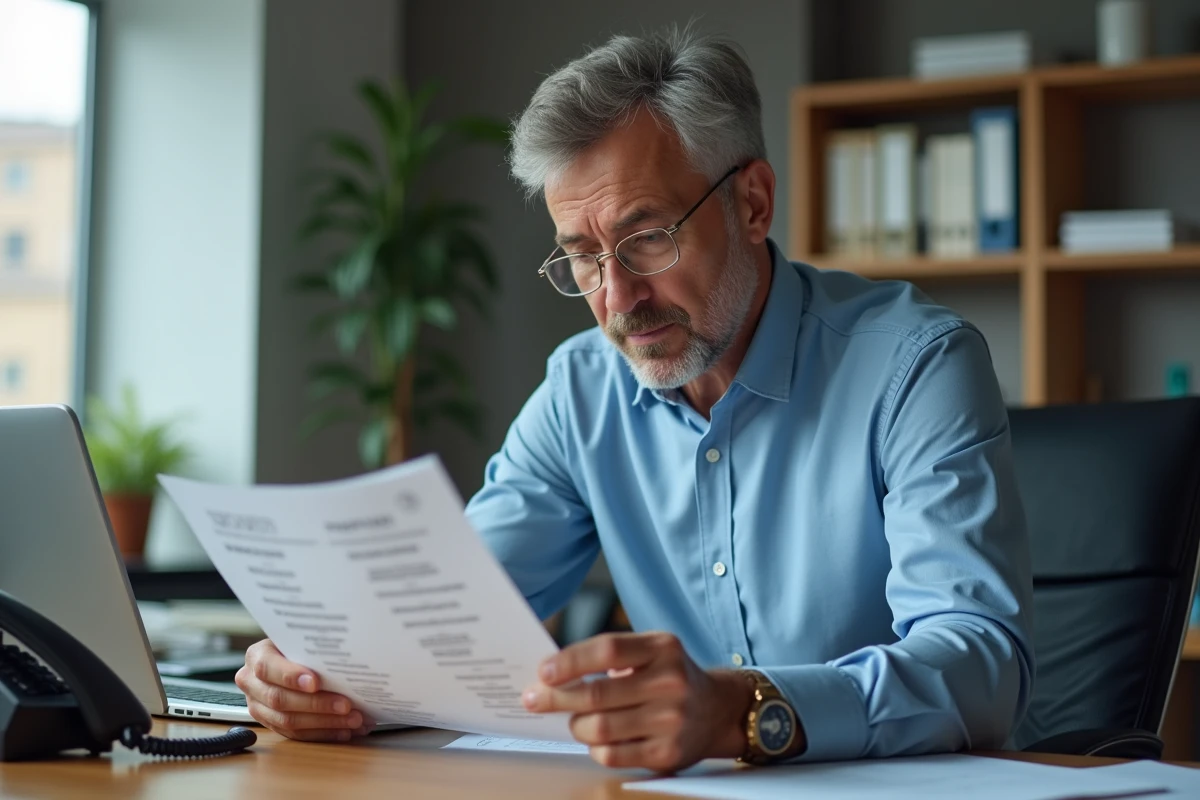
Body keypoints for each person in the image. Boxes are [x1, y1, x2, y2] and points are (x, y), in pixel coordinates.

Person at [236, 26, 1034, 772]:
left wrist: (741, 711)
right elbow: (452, 617)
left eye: (648, 237)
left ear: (752, 203)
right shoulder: (581, 390)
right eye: (582, 257)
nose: (618, 298)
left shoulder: (916, 366)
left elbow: (981, 665)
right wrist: (328, 676)